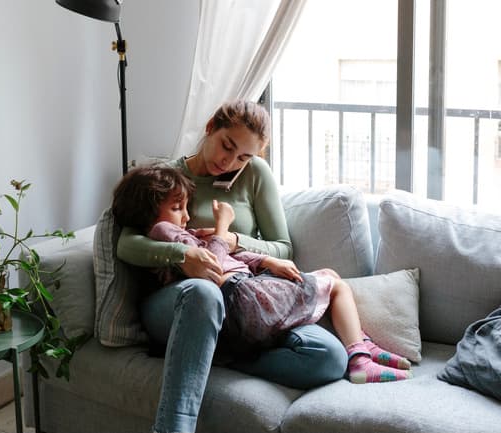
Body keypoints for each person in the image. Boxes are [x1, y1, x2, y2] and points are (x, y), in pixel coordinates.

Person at [112, 100, 364, 433]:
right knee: (203, 293)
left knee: (330, 358)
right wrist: (181, 255)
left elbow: (283, 246)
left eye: (243, 157)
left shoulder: (255, 175)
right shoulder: (168, 177)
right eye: (226, 146)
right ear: (211, 127)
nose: (229, 161)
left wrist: (233, 241)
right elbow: (126, 243)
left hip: (242, 301)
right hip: (179, 302)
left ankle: (213, 353)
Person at [112, 165, 413, 378]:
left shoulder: (181, 233)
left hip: (243, 301)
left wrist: (266, 261)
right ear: (149, 207)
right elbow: (213, 270)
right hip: (241, 297)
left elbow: (231, 255)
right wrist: (222, 227)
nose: (187, 216)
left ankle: (361, 348)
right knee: (334, 283)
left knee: (329, 290)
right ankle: (361, 356)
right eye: (179, 207)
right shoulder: (164, 230)